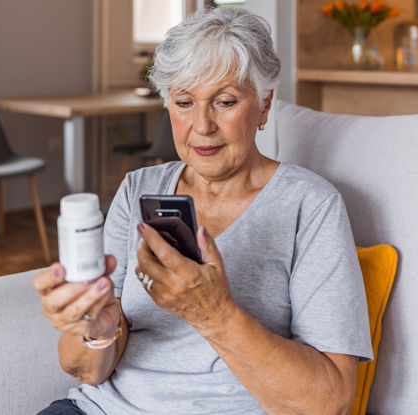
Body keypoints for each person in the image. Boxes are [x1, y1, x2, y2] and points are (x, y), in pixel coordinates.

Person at [33, 7, 372, 414]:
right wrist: (97, 332)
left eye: (225, 101)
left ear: (264, 106)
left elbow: (329, 402)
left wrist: (215, 313)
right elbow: (84, 371)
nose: (202, 125)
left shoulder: (311, 206)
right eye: (184, 102)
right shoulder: (138, 189)